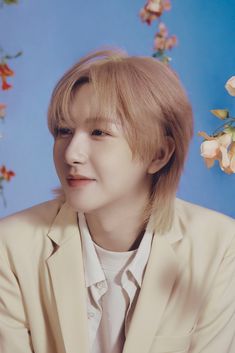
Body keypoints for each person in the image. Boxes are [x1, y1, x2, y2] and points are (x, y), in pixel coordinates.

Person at [0, 48, 235, 353]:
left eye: (99, 132)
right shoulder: (10, 247)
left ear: (159, 154)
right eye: (63, 131)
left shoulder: (219, 248)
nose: (71, 153)